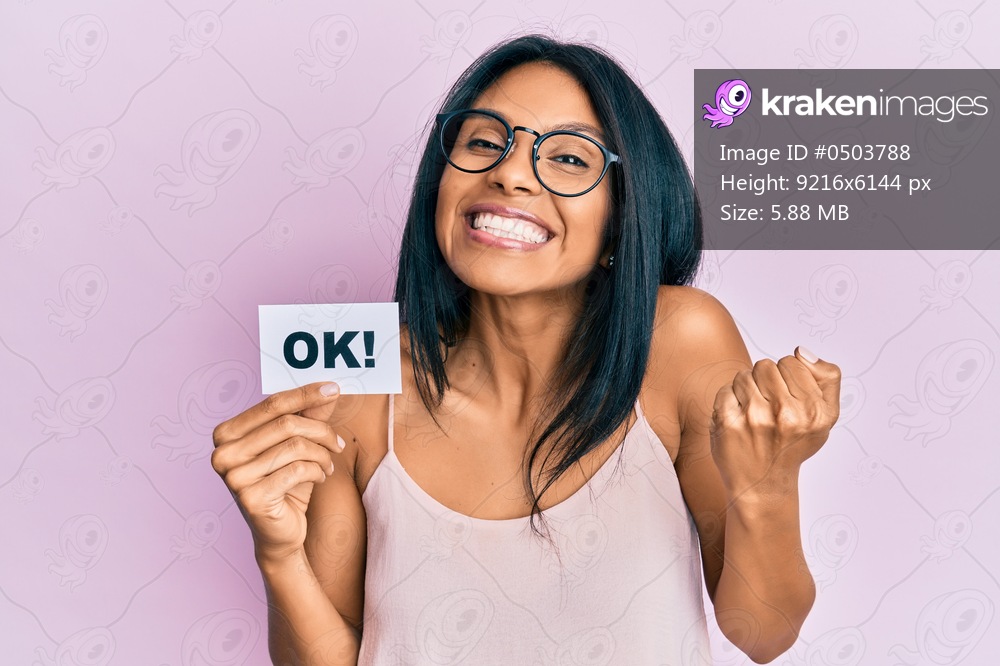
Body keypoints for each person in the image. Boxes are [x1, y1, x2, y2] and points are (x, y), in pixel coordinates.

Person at [211, 35, 841, 665]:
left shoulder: (677, 338)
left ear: (624, 216)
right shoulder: (352, 377)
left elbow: (762, 633)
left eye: (568, 159)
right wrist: (279, 553)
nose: (509, 173)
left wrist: (766, 484)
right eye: (484, 142)